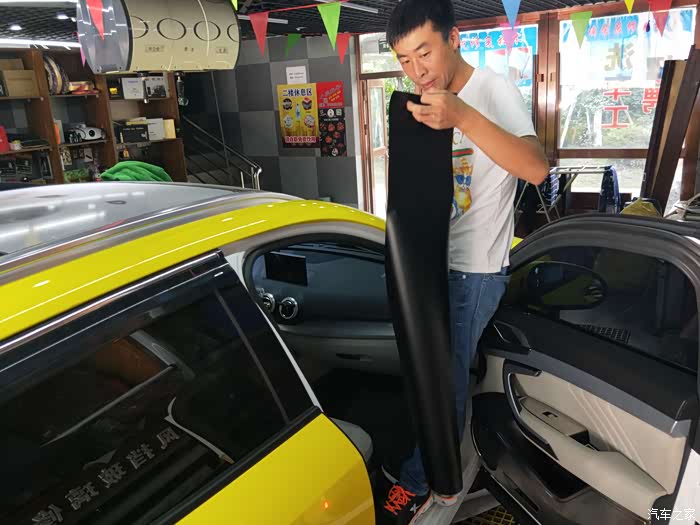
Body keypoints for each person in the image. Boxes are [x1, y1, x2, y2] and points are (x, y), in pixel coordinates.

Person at [379, 1, 549, 523]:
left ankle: (431, 482)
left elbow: (536, 168)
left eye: (425, 52)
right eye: (405, 60)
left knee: (444, 379)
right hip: (432, 258)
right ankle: (436, 467)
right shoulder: (426, 98)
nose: (417, 69)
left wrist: (461, 116)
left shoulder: (493, 90)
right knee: (430, 370)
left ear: (453, 38)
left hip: (475, 269)